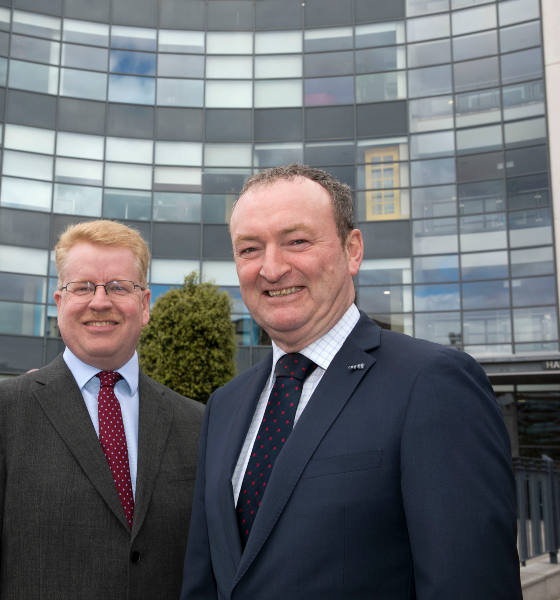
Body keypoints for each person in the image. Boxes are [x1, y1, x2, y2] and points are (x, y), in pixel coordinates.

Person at [180, 164, 522, 600]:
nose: (270, 268)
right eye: (249, 249)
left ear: (352, 250)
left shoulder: (432, 383)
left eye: (296, 241)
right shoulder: (224, 407)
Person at [0, 220, 205, 600]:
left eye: (118, 287)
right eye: (82, 287)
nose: (100, 301)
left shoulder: (196, 421)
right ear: (59, 303)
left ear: (144, 305)